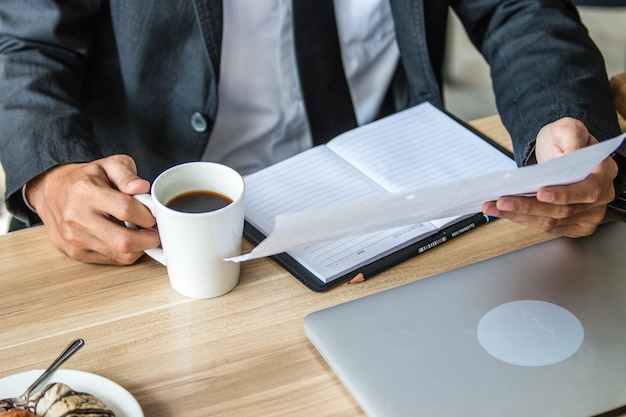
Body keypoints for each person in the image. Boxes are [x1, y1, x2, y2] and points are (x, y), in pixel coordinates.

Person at [0, 0, 623, 266]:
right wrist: (51, 174)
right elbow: (26, 43)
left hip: (401, 199)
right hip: (177, 226)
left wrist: (560, 121)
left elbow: (520, 10)